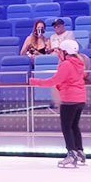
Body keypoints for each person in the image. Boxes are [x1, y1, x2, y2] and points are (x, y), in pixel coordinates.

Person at [29, 39, 87, 168]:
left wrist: (34, 81)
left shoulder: (66, 64)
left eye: (60, 50)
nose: (58, 53)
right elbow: (67, 80)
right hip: (80, 99)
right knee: (74, 126)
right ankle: (79, 151)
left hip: (69, 99)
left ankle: (71, 154)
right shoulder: (79, 63)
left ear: (66, 51)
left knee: (67, 127)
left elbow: (53, 81)